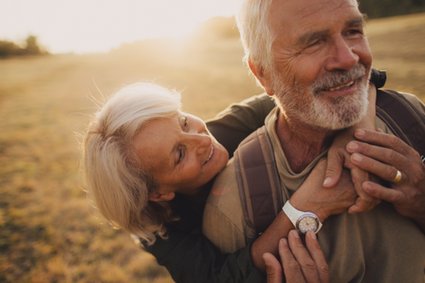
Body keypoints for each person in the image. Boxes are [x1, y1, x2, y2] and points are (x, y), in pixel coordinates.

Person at [202, 0, 425, 282]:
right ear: (262, 72)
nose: (348, 58)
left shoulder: (409, 117)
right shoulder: (234, 208)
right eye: (313, 43)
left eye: (353, 30)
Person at [83, 80, 379, 282]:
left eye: (183, 121)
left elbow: (340, 81)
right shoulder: (160, 230)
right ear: (158, 193)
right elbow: (219, 279)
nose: (201, 138)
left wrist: (355, 138)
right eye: (179, 154)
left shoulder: (221, 129)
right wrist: (303, 209)